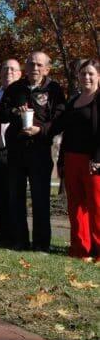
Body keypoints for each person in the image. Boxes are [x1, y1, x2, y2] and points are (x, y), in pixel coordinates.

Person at [0, 51, 65, 251]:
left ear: (47, 68)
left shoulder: (53, 90)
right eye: (31, 64)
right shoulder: (15, 88)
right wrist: (15, 111)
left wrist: (41, 130)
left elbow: (60, 119)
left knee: (40, 198)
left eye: (39, 65)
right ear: (25, 67)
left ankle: (42, 244)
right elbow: (1, 114)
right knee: (16, 197)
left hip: (40, 151)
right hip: (16, 151)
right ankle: (20, 241)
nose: (35, 68)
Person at [49, 59, 100, 260]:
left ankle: (97, 250)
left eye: (90, 74)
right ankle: (80, 249)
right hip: (71, 159)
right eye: (82, 74)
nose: (86, 77)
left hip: (93, 161)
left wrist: (98, 158)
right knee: (76, 206)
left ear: (98, 76)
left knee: (96, 206)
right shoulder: (73, 101)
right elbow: (60, 129)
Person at [0, 59, 22, 247]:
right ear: (0, 73)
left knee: (14, 196)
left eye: (13, 69)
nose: (8, 72)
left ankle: (17, 237)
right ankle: (2, 237)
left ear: (19, 74)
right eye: (5, 68)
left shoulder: (25, 96)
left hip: (16, 151)